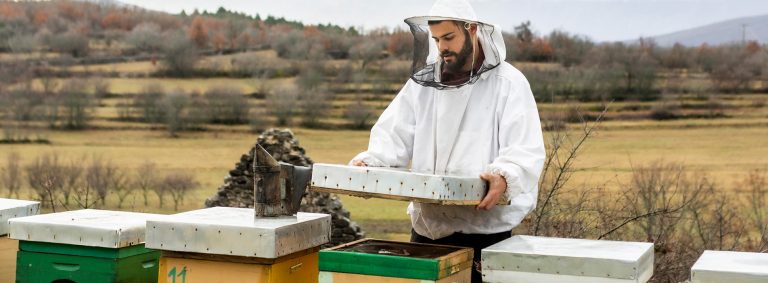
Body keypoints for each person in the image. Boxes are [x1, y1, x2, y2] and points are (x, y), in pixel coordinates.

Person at [350, 0, 545, 281]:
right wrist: (370, 163)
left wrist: (504, 176)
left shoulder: (509, 84)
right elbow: (393, 136)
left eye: (449, 37)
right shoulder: (423, 84)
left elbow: (524, 150)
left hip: (484, 237)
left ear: (472, 29)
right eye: (437, 39)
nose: (442, 47)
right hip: (426, 233)